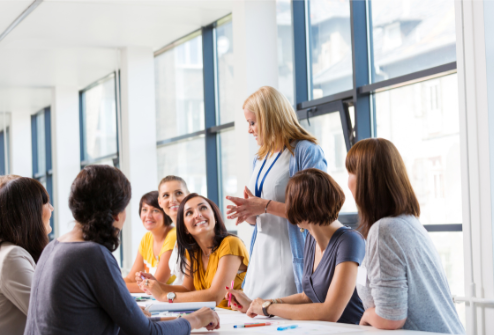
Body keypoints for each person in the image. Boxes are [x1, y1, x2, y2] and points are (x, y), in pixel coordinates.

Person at [24, 165, 219, 335]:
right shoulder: (91, 254)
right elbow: (148, 333)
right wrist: (196, 320)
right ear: (116, 214)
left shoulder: (53, 248)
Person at [346, 138, 464, 334]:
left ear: (367, 181)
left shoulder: (384, 230)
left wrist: (366, 316)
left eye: (351, 172)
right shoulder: (408, 222)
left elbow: (390, 317)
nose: (347, 181)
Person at [225, 169, 365, 324]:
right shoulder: (312, 239)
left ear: (301, 208)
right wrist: (256, 304)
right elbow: (306, 297)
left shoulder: (349, 241)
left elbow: (330, 312)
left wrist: (266, 307)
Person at [226, 86, 327, 299]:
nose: (249, 130)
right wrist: (250, 215)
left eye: (253, 123)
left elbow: (317, 211)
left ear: (270, 119)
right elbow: (263, 214)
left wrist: (263, 206)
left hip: (290, 256)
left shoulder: (305, 152)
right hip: (262, 254)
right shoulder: (260, 158)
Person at [137, 193, 249, 309]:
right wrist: (156, 285)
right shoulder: (193, 251)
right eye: (189, 213)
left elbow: (214, 296)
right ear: (185, 228)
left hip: (237, 318)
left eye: (203, 208)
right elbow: (187, 289)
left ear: (214, 216)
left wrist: (165, 296)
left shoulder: (231, 244)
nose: (198, 214)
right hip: (213, 317)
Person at [0, 176, 53, 335]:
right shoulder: (12, 257)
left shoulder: (11, 252)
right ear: (30, 211)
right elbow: (49, 315)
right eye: (45, 203)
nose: (51, 208)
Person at [124, 191, 176, 292]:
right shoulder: (147, 238)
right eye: (144, 210)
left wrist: (114, 286)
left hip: (177, 302)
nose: (148, 215)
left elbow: (156, 284)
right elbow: (130, 279)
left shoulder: (173, 236)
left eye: (155, 211)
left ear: (165, 213)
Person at [157, 176, 191, 285]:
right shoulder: (179, 235)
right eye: (166, 195)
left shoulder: (194, 234)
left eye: (179, 193)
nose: (173, 200)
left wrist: (157, 287)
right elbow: (181, 283)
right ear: (160, 202)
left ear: (188, 196)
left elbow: (190, 288)